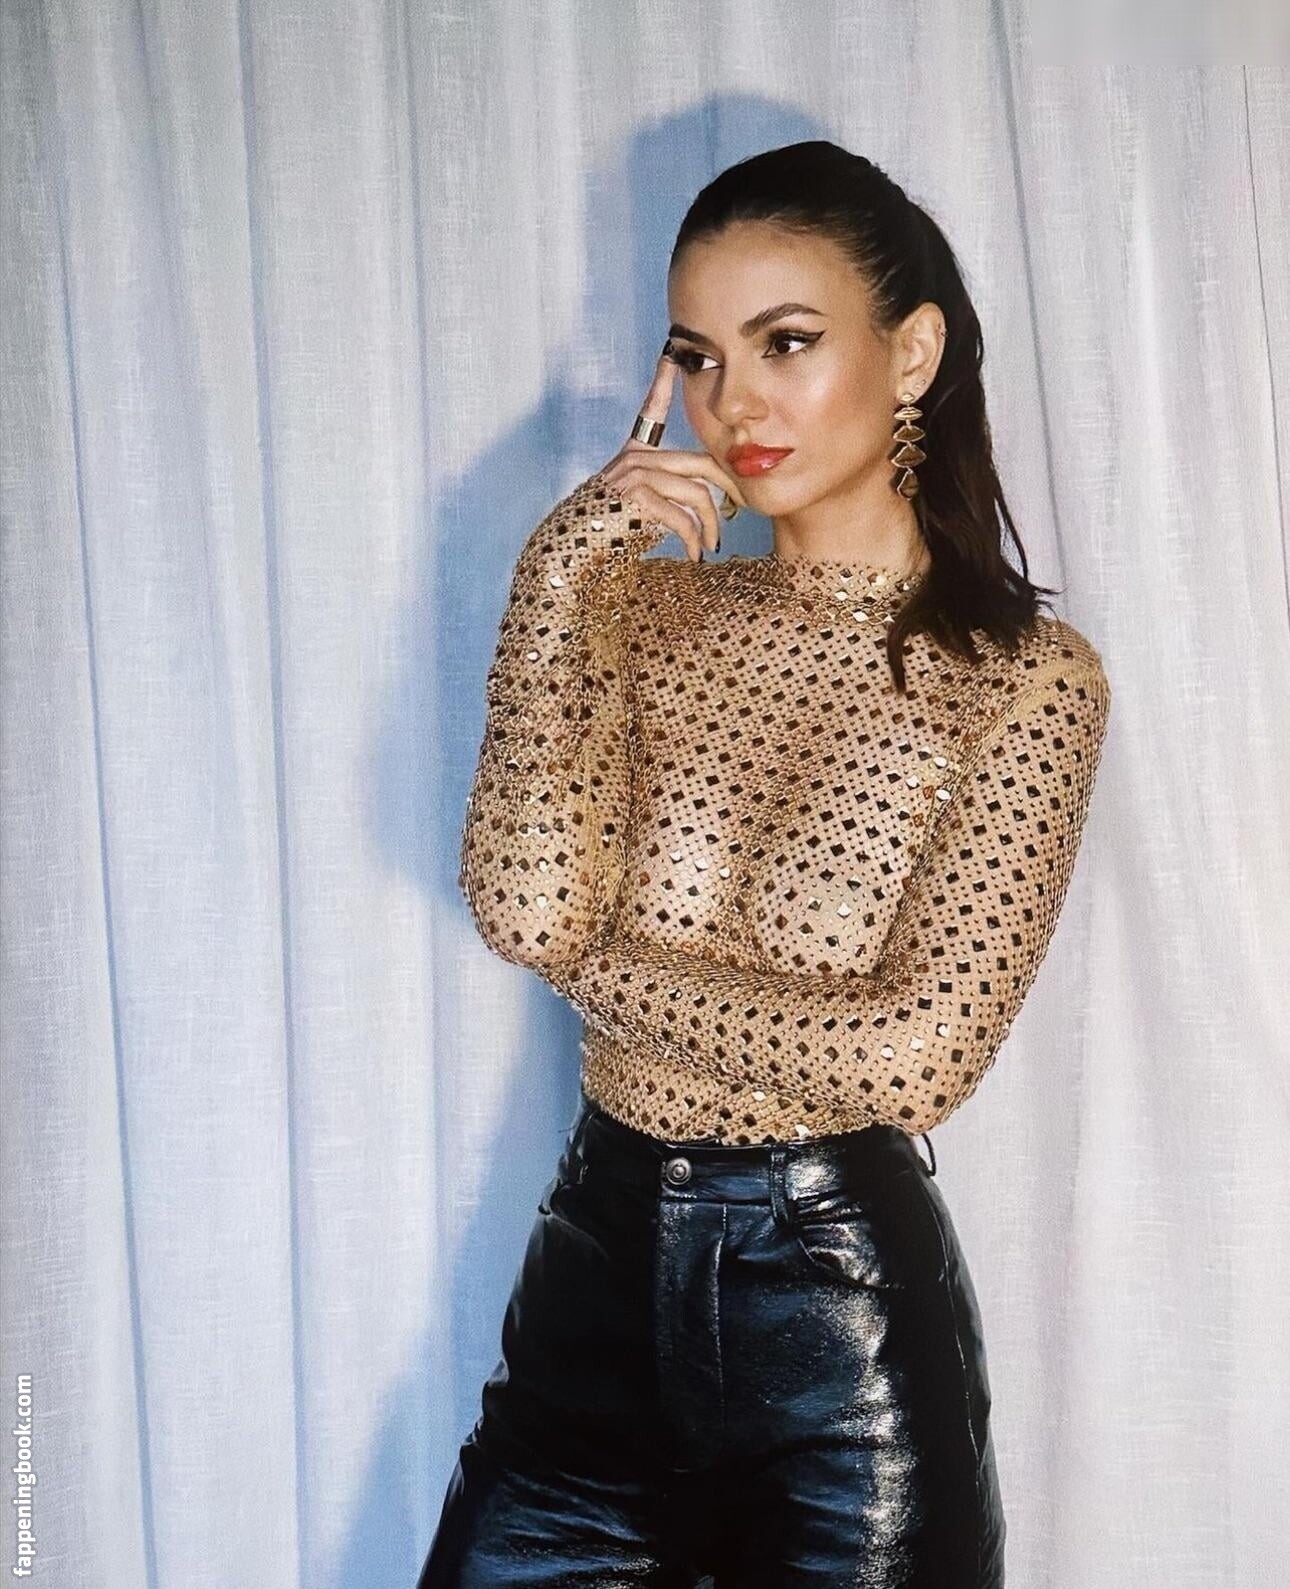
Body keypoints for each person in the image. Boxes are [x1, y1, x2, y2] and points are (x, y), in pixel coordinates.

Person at [417, 140, 1111, 1587]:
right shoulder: (640, 613)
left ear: (910, 353)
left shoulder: (1025, 681)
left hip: (835, 1359)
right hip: (588, 1315)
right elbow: (525, 905)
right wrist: (557, 570)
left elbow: (914, 1059)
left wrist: (598, 970)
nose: (734, 403)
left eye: (785, 342)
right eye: (698, 356)